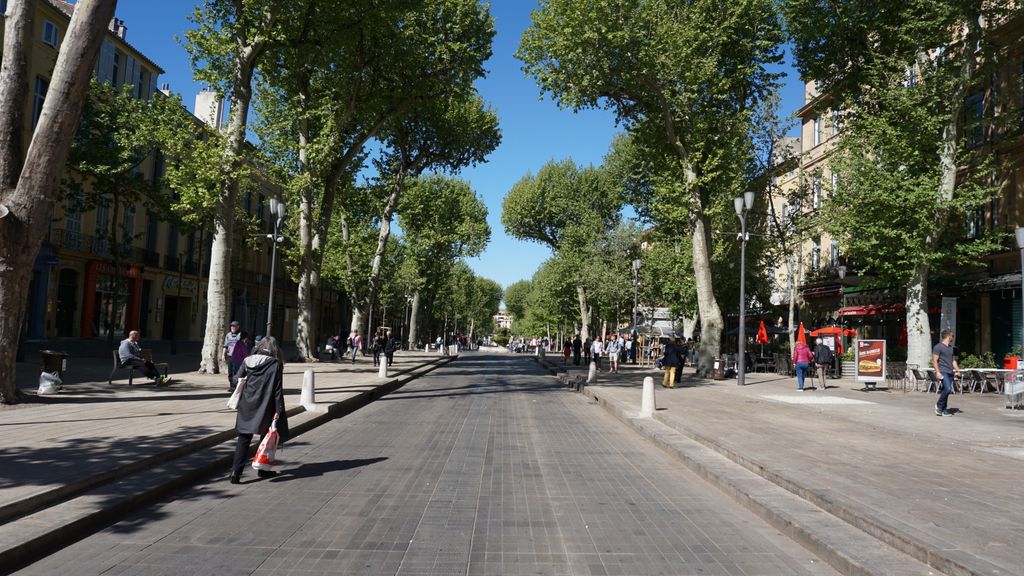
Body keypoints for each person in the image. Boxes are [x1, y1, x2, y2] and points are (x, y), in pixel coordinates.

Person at [229, 336, 290, 484]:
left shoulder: (247, 360)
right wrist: (278, 409)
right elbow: (277, 389)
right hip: (265, 404)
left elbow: (236, 379)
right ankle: (263, 470)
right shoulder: (275, 364)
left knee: (243, 439)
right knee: (266, 437)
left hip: (247, 404)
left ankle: (235, 474)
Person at [932, 330, 959, 417]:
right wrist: (938, 372)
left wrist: (958, 370)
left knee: (945, 391)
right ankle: (939, 406)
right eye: (952, 336)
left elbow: (953, 361)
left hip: (950, 372)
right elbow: (935, 360)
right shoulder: (938, 347)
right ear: (948, 336)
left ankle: (943, 410)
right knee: (948, 389)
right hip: (943, 371)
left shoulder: (951, 348)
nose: (953, 338)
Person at [223, 320, 243, 388]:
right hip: (230, 356)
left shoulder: (241, 335)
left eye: (234, 326)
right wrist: (223, 355)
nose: (232, 327)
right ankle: (231, 386)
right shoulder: (228, 335)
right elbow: (225, 346)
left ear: (238, 327)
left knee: (236, 372)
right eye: (232, 326)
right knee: (230, 372)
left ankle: (236, 386)